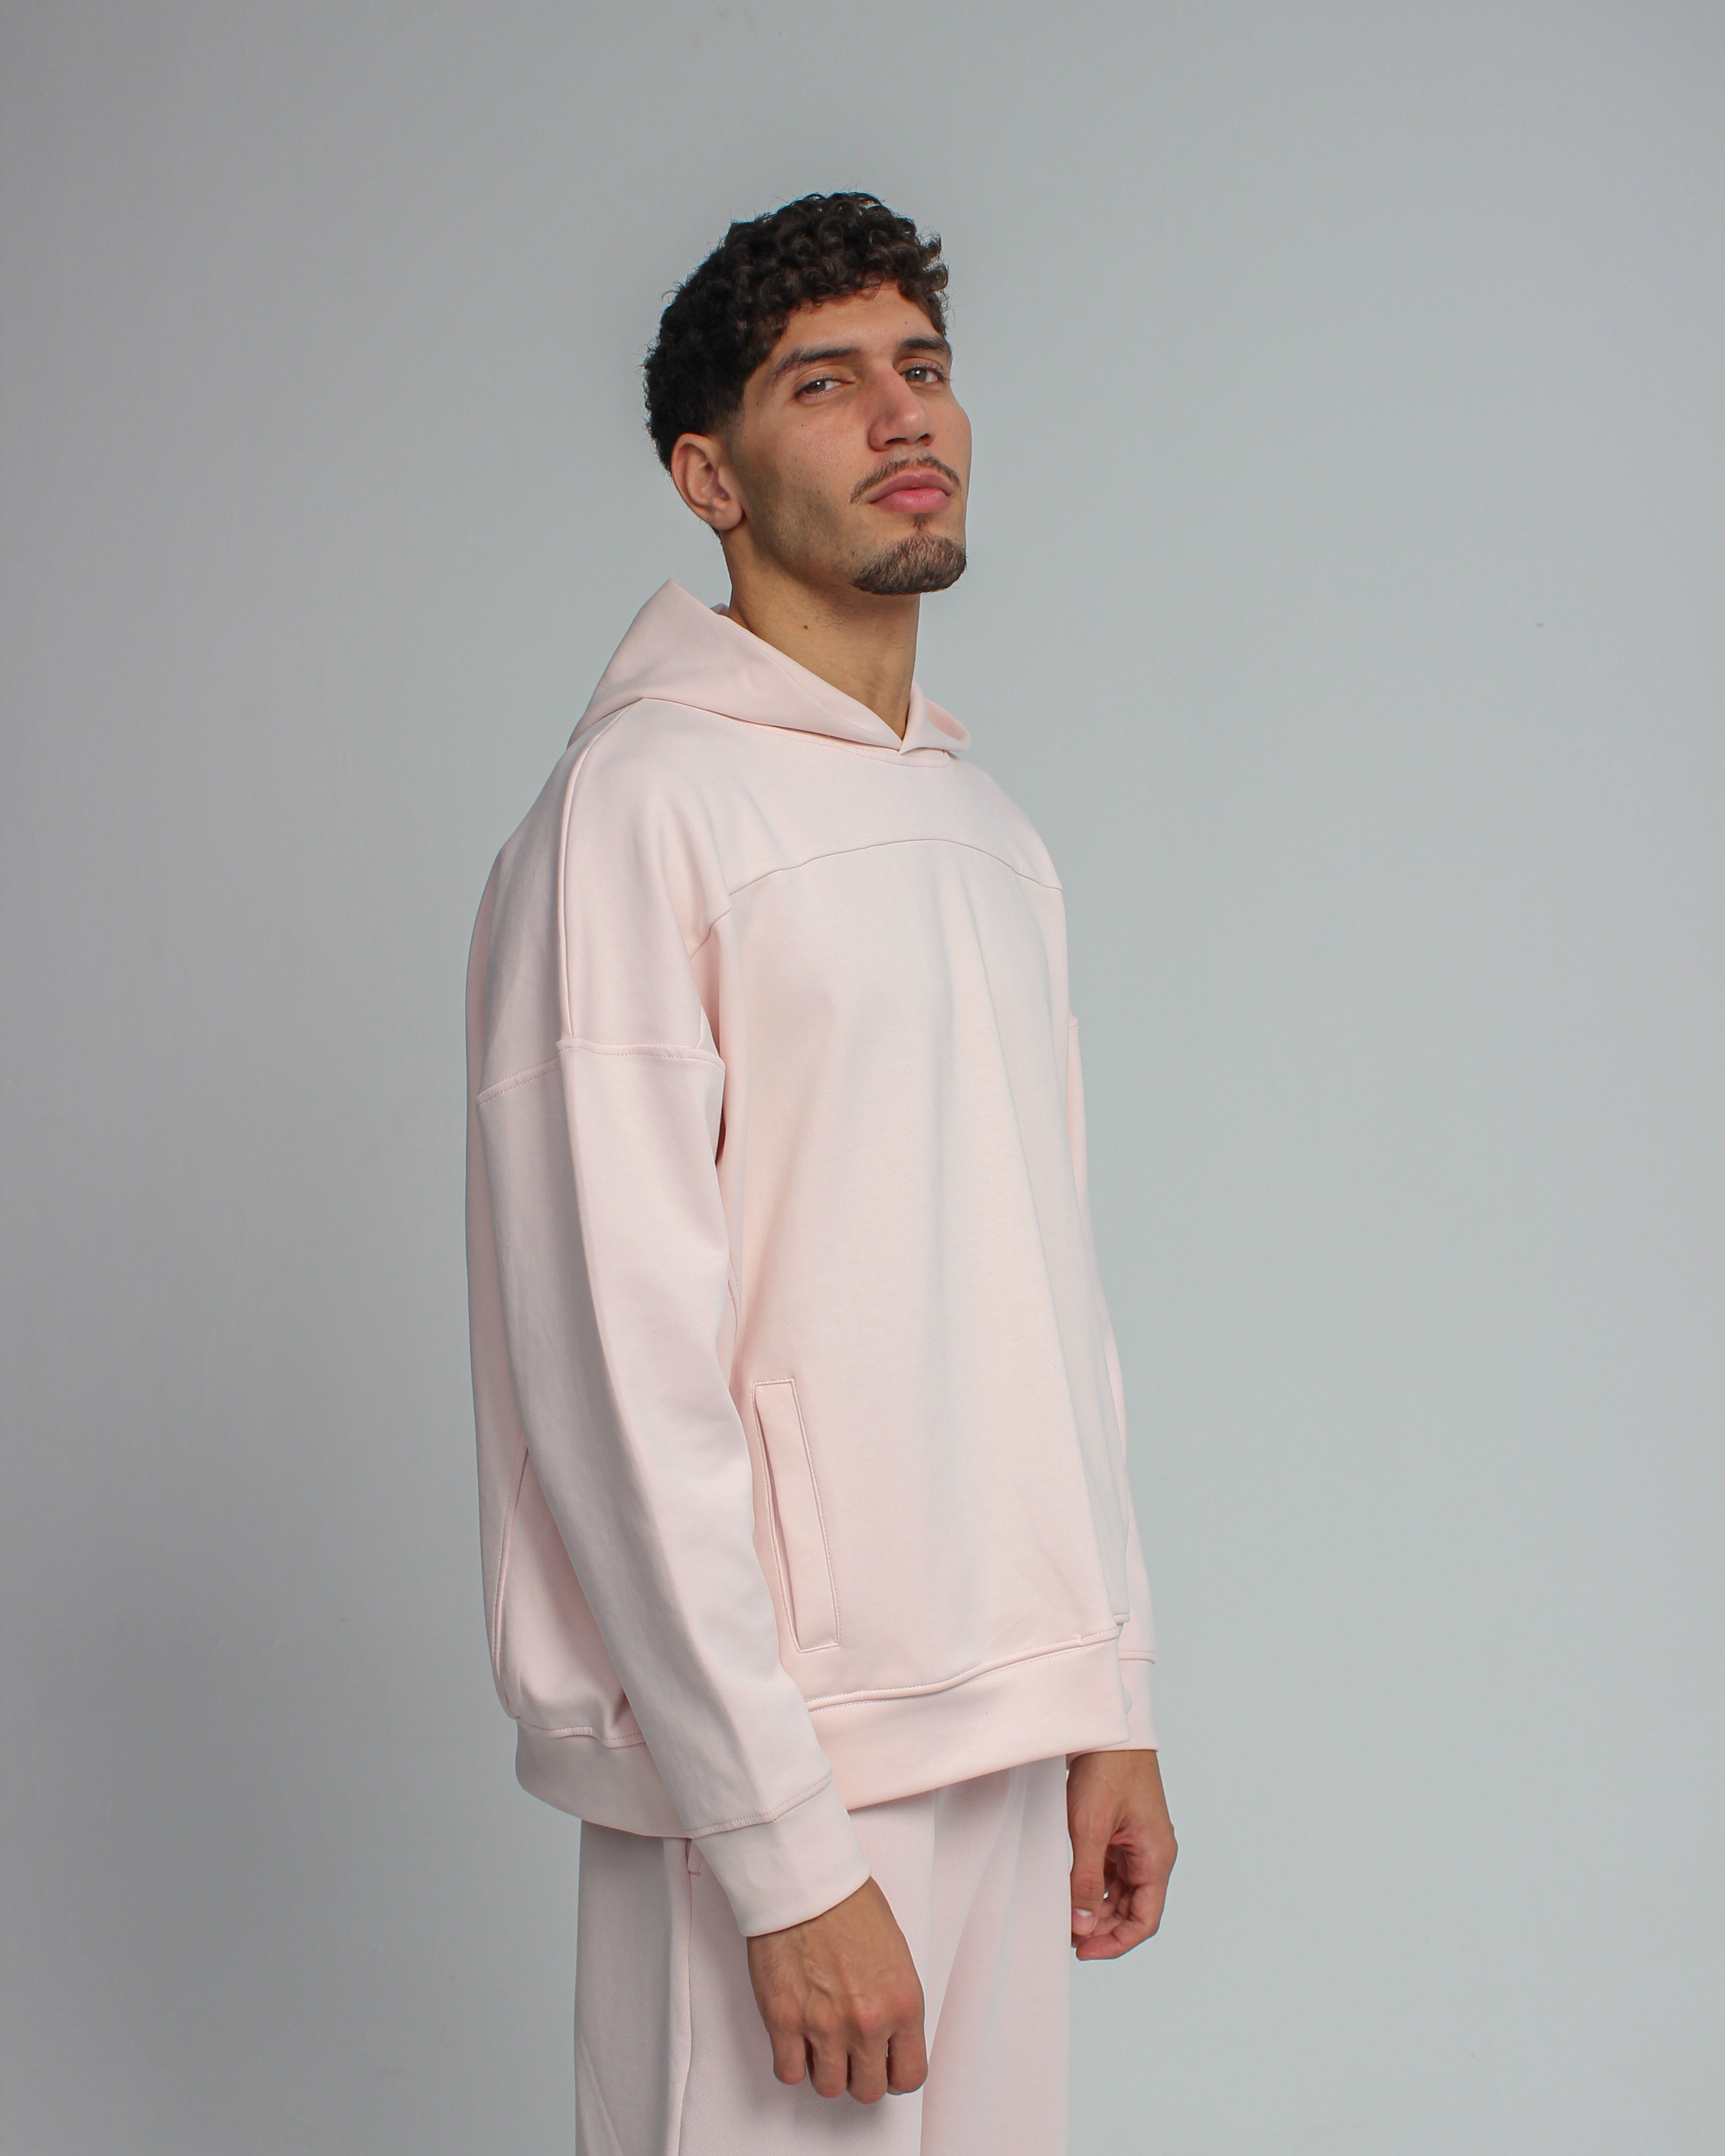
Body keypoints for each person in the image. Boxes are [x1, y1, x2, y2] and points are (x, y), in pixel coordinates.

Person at [464, 191, 1176, 2154]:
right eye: (823, 381)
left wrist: (1107, 1694)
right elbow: (615, 1371)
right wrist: (776, 1844)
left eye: (922, 367)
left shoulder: (991, 831)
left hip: (1008, 1726)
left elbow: (1049, 1300)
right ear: (708, 476)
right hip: (775, 1772)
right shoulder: (637, 811)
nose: (900, 412)